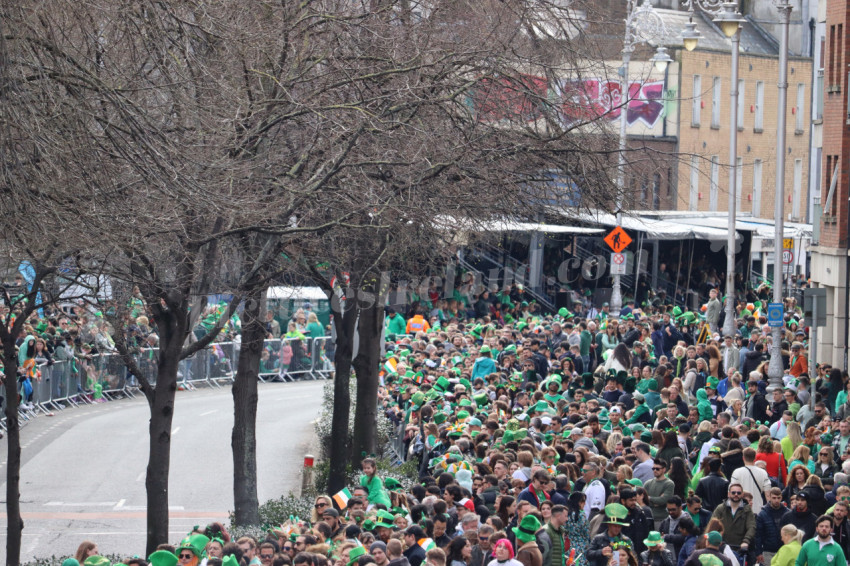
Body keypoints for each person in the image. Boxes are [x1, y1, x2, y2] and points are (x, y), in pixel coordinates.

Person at [710, 483, 755, 564]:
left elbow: (751, 527)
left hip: (740, 549)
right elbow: (713, 526)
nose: (736, 495)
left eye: (738, 493)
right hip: (722, 547)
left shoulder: (747, 510)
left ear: (742, 494)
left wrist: (746, 541)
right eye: (733, 492)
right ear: (728, 494)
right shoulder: (720, 508)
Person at [755, 488, 791, 565]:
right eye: (774, 498)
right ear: (770, 497)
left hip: (784, 549)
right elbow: (758, 535)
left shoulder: (787, 513)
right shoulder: (762, 514)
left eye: (778, 498)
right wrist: (758, 552)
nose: (776, 500)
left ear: (781, 497)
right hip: (768, 550)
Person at [729, 448, 772, 514]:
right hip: (758, 509)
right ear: (755, 458)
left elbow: (731, 492)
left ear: (743, 458)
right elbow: (768, 495)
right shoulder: (763, 472)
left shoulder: (736, 472)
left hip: (740, 509)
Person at [645, 460, 675, 529]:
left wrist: (649, 498)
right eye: (653, 468)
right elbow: (642, 500)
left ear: (664, 469)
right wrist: (656, 501)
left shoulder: (669, 483)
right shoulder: (648, 483)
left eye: (657, 469)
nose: (655, 470)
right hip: (648, 517)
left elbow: (664, 500)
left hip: (661, 518)